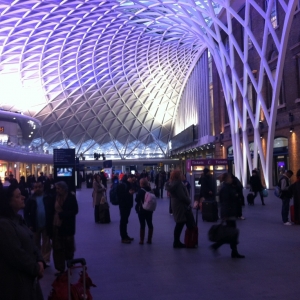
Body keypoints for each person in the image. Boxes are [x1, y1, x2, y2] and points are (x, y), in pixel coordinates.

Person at [0, 184, 45, 300]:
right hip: (17, 284)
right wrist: (36, 268)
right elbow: (16, 254)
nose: (23, 197)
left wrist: (40, 260)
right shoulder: (4, 225)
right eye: (18, 196)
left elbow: (32, 243)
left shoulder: (19, 220)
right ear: (8, 202)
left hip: (28, 280)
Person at [210, 173, 245, 258]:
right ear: (227, 179)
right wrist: (225, 215)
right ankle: (232, 250)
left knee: (231, 232)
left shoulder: (228, 187)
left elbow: (238, 188)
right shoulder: (226, 188)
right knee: (232, 232)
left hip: (230, 212)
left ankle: (223, 247)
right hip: (229, 213)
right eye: (230, 178)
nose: (231, 179)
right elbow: (225, 202)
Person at [47, 181, 78, 274]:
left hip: (67, 226)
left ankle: (69, 265)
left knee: (68, 247)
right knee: (57, 248)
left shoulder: (71, 198)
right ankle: (60, 268)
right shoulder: (54, 197)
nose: (57, 190)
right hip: (56, 225)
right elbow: (51, 210)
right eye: (56, 188)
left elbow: (75, 210)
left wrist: (63, 215)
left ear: (64, 189)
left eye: (59, 188)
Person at [25, 182, 53, 266]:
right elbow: (26, 213)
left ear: (43, 187)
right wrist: (29, 224)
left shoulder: (48, 198)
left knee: (46, 243)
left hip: (46, 224)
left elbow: (51, 210)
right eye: (36, 187)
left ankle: (46, 260)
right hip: (35, 224)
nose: (38, 189)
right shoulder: (30, 199)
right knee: (35, 243)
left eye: (39, 187)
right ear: (33, 188)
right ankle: (38, 259)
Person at [165, 169, 194, 248]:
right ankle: (177, 242)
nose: (183, 175)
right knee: (180, 223)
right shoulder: (178, 185)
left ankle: (177, 241)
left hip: (176, 205)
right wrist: (189, 201)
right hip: (181, 206)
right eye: (181, 174)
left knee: (179, 223)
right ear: (178, 176)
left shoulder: (173, 184)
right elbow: (182, 196)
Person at [116, 174, 137, 244]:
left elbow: (136, 188)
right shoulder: (122, 185)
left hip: (128, 205)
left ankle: (125, 235)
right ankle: (123, 237)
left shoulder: (129, 184)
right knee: (123, 221)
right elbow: (120, 195)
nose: (133, 180)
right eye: (132, 179)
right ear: (129, 178)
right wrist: (128, 193)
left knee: (125, 221)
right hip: (123, 205)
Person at [135, 178, 154, 245]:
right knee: (150, 223)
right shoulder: (150, 190)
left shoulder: (140, 191)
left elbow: (136, 200)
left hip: (142, 209)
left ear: (141, 184)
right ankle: (149, 239)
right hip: (149, 209)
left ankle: (141, 240)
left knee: (142, 224)